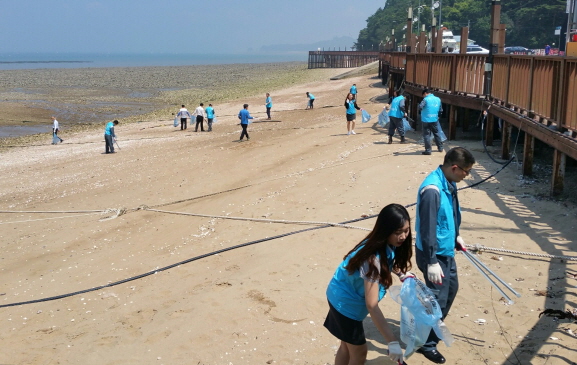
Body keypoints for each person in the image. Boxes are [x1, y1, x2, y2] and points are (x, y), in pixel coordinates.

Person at [324, 203, 414, 365]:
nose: (402, 237)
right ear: (385, 231)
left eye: (406, 230)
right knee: (359, 353)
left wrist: (401, 273)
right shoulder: (372, 260)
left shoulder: (386, 244)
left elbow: (389, 260)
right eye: (397, 232)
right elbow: (371, 305)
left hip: (339, 293)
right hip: (344, 303)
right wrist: (392, 341)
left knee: (346, 346)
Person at [414, 147, 475, 364]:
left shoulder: (449, 183)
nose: (466, 176)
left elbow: (451, 212)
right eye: (465, 172)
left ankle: (429, 327)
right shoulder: (432, 189)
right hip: (433, 254)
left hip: (446, 249)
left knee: (451, 291)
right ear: (454, 167)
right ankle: (426, 344)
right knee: (437, 298)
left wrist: (456, 236)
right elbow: (427, 228)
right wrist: (431, 261)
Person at [419, 89, 444, 155]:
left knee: (427, 135)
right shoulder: (438, 99)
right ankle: (440, 148)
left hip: (426, 119)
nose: (423, 97)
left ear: (425, 93)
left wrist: (421, 110)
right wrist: (438, 116)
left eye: (423, 95)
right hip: (434, 119)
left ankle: (428, 150)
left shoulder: (425, 99)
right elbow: (441, 110)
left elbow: (420, 107)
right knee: (436, 133)